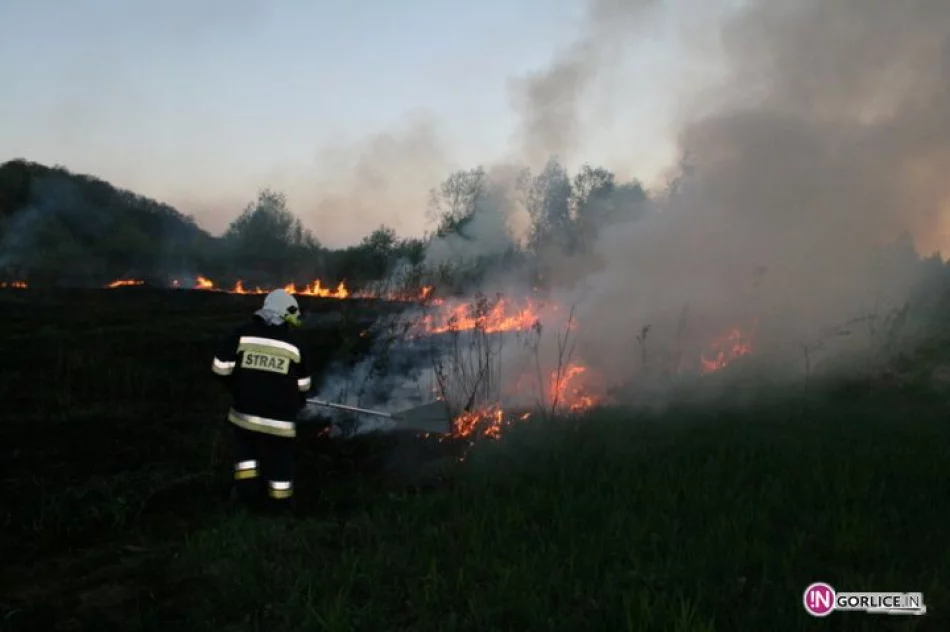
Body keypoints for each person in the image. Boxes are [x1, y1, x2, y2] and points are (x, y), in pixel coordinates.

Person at [210, 288, 312, 513]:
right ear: (286, 314)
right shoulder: (294, 345)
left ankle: (246, 498)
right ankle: (280, 507)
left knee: (246, 459)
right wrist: (296, 400)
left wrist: (238, 386)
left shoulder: (241, 334)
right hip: (280, 423)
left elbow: (219, 367)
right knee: (280, 464)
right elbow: (304, 385)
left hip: (244, 416)